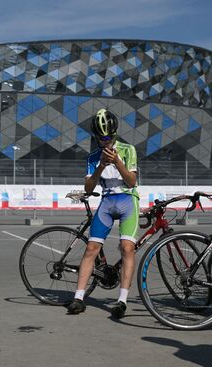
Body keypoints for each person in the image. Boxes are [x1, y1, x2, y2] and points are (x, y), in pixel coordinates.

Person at [67, 108, 139, 319]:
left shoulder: (128, 149)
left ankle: (122, 301)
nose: (105, 142)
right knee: (91, 248)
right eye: (101, 138)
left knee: (127, 248)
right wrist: (100, 166)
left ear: (114, 134)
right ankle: (79, 298)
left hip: (127, 200)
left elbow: (132, 181)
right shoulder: (93, 157)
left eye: (108, 138)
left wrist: (117, 161)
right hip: (107, 202)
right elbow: (89, 189)